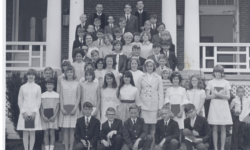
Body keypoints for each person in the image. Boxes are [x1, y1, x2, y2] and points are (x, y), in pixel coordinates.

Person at [137, 59, 164, 150]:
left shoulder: (158, 77)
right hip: (144, 105)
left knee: (153, 127)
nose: (149, 68)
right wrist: (139, 105)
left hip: (154, 106)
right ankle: (145, 147)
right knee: (145, 128)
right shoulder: (141, 77)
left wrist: (160, 107)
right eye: (147, 66)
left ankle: (151, 147)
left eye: (151, 66)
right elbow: (138, 92)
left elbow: (160, 93)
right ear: (145, 67)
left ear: (154, 67)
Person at [206, 65, 233, 150]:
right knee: (214, 127)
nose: (217, 74)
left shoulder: (226, 82)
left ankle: (222, 148)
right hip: (214, 106)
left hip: (223, 106)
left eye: (219, 72)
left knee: (223, 127)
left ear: (222, 73)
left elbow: (228, 97)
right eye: (216, 72)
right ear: (214, 72)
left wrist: (219, 94)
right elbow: (207, 96)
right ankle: (215, 148)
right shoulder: (210, 82)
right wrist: (215, 94)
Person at [17, 69, 42, 150]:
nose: (31, 76)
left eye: (33, 75)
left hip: (34, 112)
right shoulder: (22, 87)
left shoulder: (38, 87)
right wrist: (23, 112)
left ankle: (31, 149)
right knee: (25, 132)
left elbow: (39, 100)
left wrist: (35, 112)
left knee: (32, 132)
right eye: (29, 74)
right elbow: (20, 100)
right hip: (24, 111)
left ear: (35, 76)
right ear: (27, 76)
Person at [59, 65, 81, 150]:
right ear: (65, 73)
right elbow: (61, 96)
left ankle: (71, 148)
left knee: (72, 130)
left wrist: (75, 108)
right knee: (65, 130)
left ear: (73, 73)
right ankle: (66, 148)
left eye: (71, 72)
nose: (69, 74)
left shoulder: (77, 83)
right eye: (67, 72)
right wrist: (61, 108)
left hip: (74, 109)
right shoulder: (62, 82)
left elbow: (78, 97)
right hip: (64, 108)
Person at [164, 72, 189, 143]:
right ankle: (172, 145)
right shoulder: (169, 89)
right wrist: (170, 112)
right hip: (171, 112)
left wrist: (181, 112)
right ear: (171, 80)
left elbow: (184, 101)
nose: (175, 80)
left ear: (179, 80)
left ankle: (179, 144)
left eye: (177, 79)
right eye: (174, 79)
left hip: (180, 111)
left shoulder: (183, 89)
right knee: (172, 128)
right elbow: (167, 100)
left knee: (180, 128)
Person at [40, 79, 60, 150]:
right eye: (48, 84)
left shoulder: (57, 95)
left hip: (53, 117)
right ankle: (46, 148)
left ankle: (51, 148)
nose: (50, 86)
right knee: (46, 133)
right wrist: (43, 116)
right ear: (46, 85)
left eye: (51, 84)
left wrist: (54, 116)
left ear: (54, 86)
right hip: (44, 117)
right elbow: (41, 107)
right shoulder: (42, 95)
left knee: (52, 133)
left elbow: (58, 106)